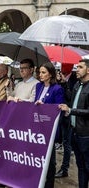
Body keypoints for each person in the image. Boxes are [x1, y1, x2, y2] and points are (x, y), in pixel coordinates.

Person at [59, 59, 89, 188]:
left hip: (86, 134)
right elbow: (71, 100)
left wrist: (71, 110)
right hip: (75, 132)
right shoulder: (77, 85)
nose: (77, 70)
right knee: (80, 166)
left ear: (88, 70)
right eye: (77, 67)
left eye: (80, 67)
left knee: (87, 166)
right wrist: (65, 84)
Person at [34, 62, 64, 188]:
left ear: (50, 74)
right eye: (40, 72)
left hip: (49, 129)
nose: (41, 75)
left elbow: (58, 109)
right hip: (37, 126)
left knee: (50, 160)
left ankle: (49, 184)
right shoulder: (38, 86)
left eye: (44, 72)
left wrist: (44, 106)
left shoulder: (57, 89)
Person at [55, 64, 77, 178]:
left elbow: (71, 97)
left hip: (68, 116)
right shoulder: (59, 78)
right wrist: (59, 82)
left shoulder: (74, 79)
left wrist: (65, 83)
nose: (62, 68)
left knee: (66, 143)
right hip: (58, 115)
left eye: (65, 66)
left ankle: (64, 169)